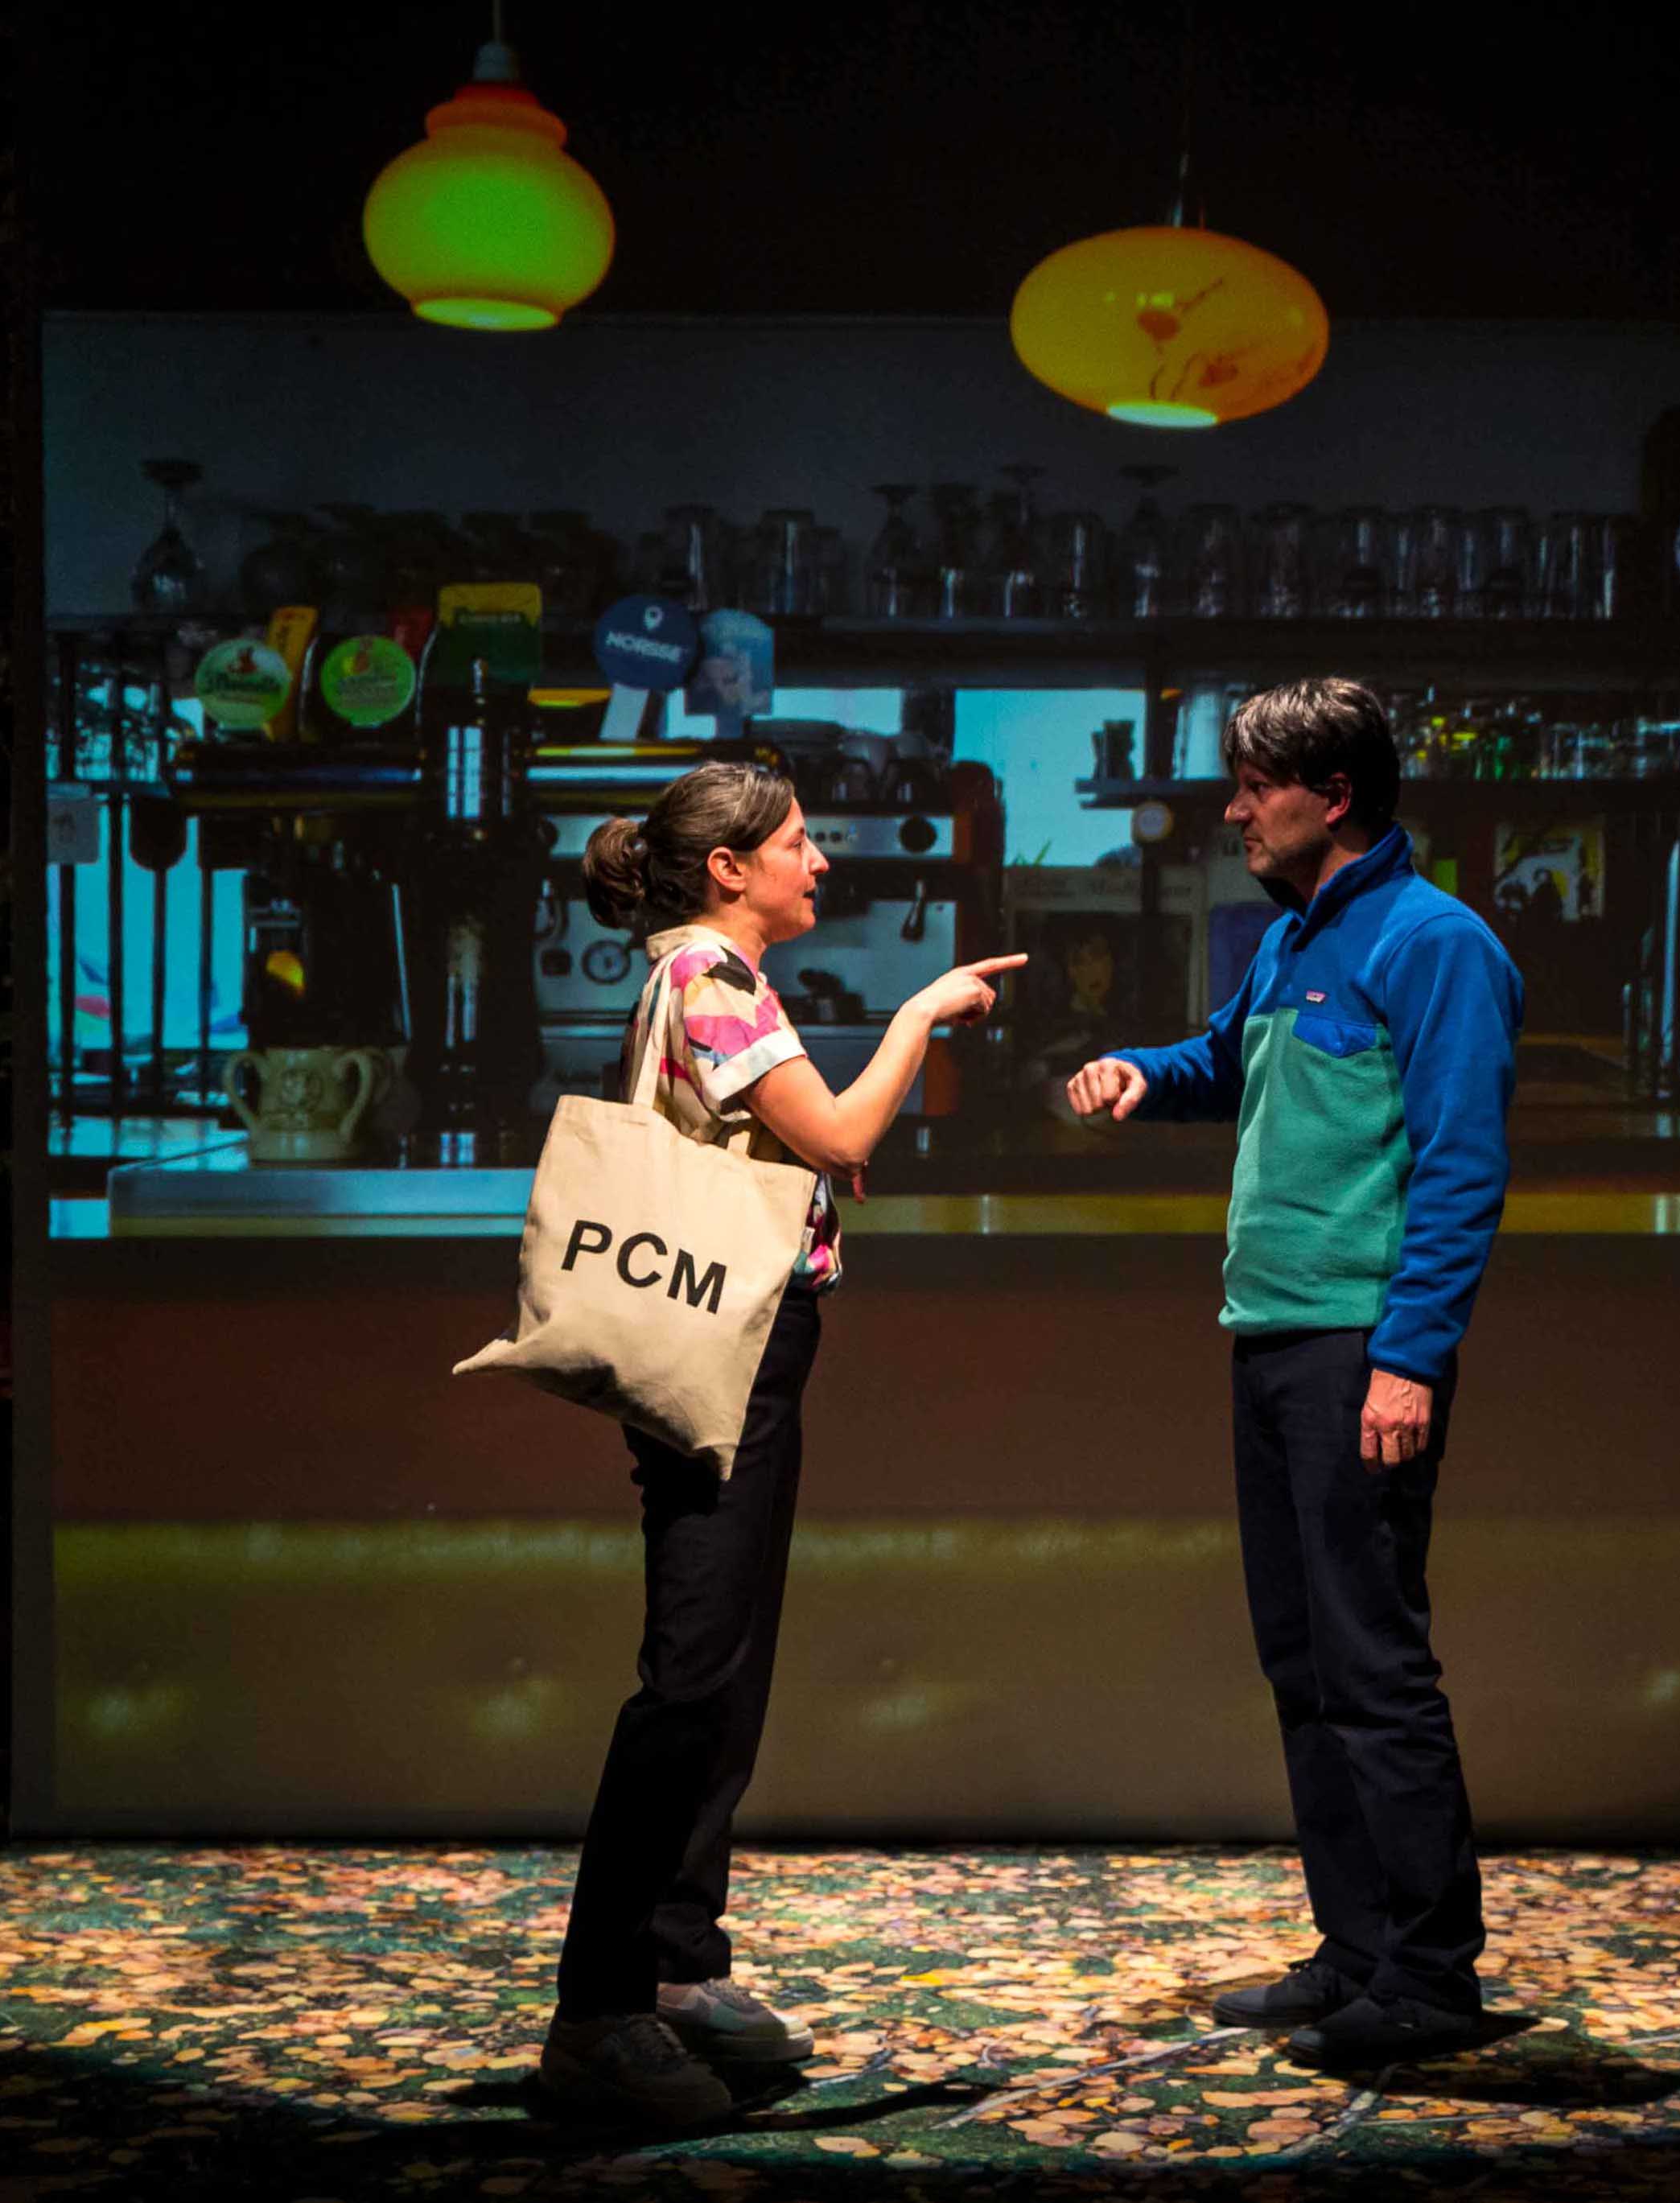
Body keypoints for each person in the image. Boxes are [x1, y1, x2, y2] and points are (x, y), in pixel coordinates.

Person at [545, 760, 1023, 2128]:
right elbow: (845, 1123)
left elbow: (794, 1138)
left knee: (725, 1668)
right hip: (729, 1350)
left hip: (757, 1345)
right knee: (690, 1674)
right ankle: (599, 2010)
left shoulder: (707, 975)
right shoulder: (712, 978)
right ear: (728, 868)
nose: (821, 862)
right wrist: (922, 1013)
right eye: (799, 843)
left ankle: (678, 1968)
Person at [1064, 677, 1522, 2069]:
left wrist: (1409, 1358)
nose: (1231, 807)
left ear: (1330, 797)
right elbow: (1231, 1062)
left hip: (1351, 1347)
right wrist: (1149, 1071)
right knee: (1304, 1661)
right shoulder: (1292, 935)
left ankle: (1433, 1980)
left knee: (1375, 1662)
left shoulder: (1437, 943)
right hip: (1268, 1331)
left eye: (1252, 783)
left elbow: (1460, 1165)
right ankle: (1359, 1949)